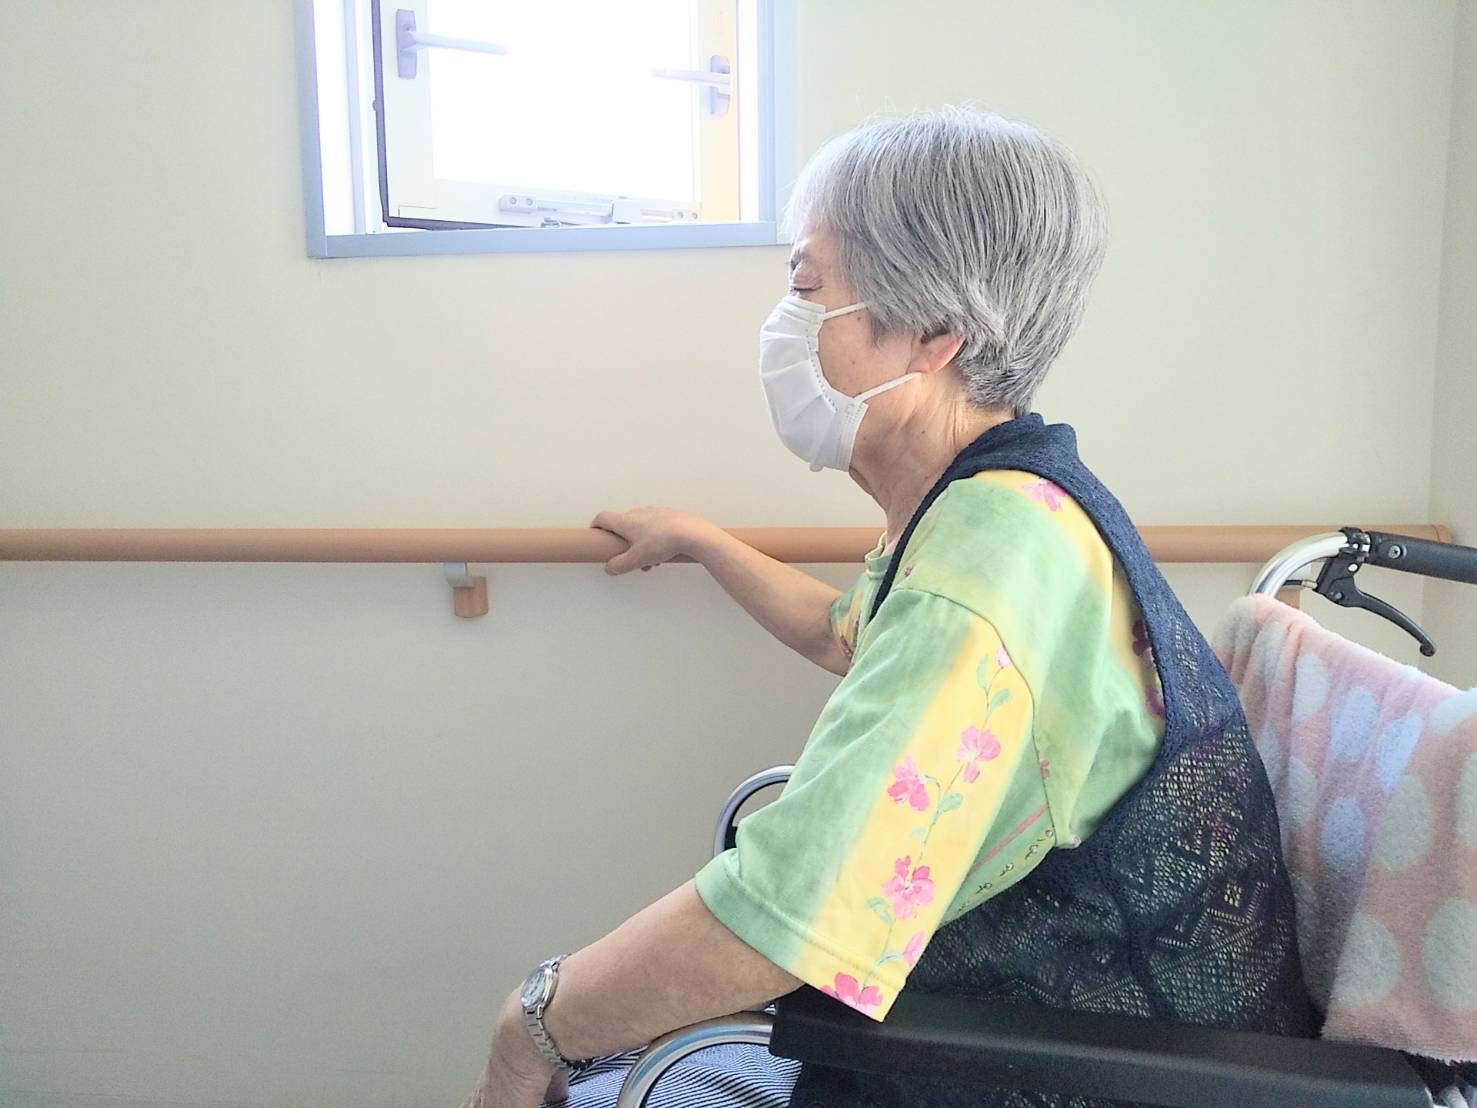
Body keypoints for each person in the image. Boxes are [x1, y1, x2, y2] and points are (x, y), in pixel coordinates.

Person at [459, 106, 1313, 1108]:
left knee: (588, 1069)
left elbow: (790, 913)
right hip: (1050, 1034)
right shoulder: (1002, 503)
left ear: (932, 336)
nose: (782, 322)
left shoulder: (984, 573)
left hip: (1087, 1073)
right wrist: (702, 541)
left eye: (805, 286)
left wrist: (527, 1029)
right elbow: (847, 634)